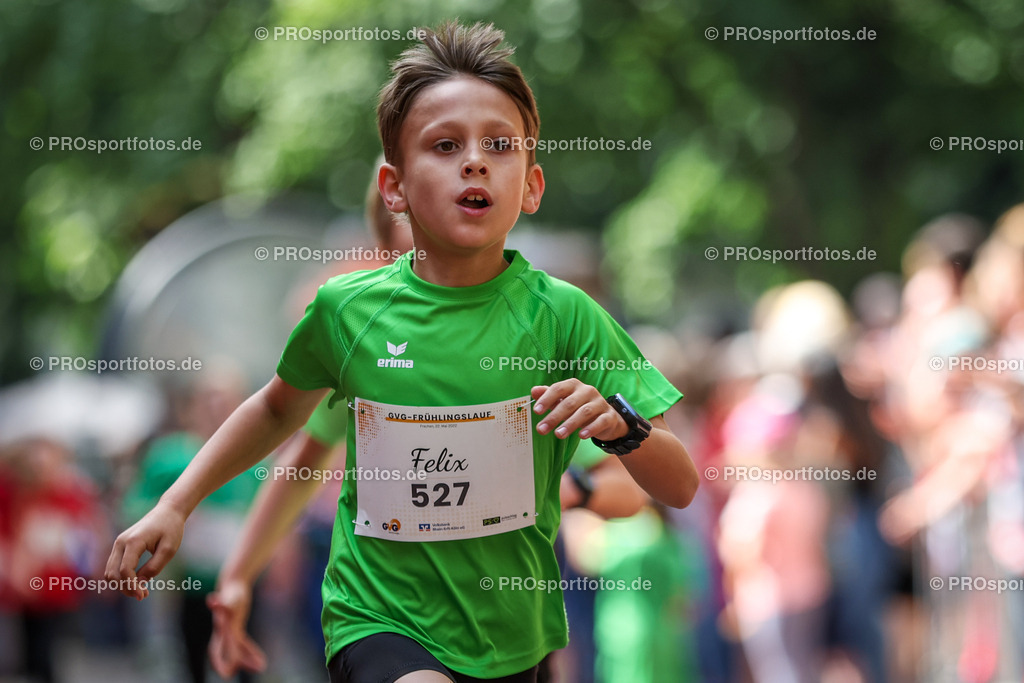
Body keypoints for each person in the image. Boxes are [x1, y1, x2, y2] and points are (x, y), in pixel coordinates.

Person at [105, 21, 698, 683]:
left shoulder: (567, 317)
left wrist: (622, 431)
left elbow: (678, 484)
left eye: (498, 145)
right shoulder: (347, 311)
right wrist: (178, 506)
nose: (474, 161)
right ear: (394, 189)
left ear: (531, 185)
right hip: (378, 617)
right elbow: (280, 419)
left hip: (513, 635)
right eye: (445, 145)